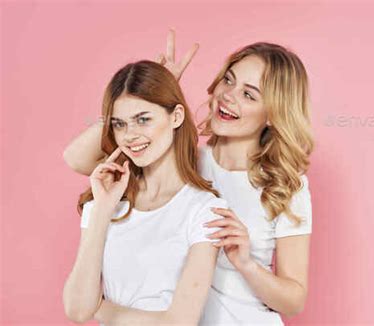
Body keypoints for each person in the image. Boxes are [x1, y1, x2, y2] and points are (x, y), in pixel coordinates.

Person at [63, 30, 314, 325]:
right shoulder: (186, 162)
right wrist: (146, 96)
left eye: (248, 94)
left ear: (273, 112)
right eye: (228, 80)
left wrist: (246, 264)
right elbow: (76, 159)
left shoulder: (284, 186)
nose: (228, 96)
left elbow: (294, 300)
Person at [62, 59, 227, 325]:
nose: (130, 135)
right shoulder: (104, 202)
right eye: (119, 124)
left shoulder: (204, 210)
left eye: (143, 119)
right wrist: (102, 211)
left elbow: (179, 322)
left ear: (176, 116)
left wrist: (101, 308)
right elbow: (77, 310)